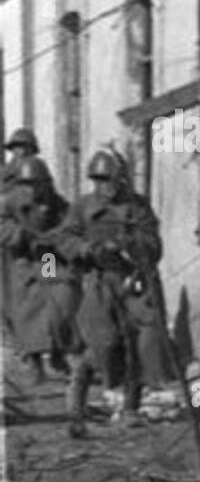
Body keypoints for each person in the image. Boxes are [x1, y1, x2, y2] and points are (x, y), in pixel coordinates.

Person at [54, 150, 163, 438]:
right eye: (98, 179)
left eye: (109, 179)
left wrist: (128, 242)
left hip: (133, 278)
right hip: (98, 280)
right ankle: (76, 410)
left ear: (121, 178)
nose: (104, 185)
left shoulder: (138, 206)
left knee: (141, 339)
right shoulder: (82, 206)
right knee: (102, 343)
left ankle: (131, 408)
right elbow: (64, 240)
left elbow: (154, 245)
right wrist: (88, 249)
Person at [0, 157, 79, 383]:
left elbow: (68, 222)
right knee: (26, 309)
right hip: (20, 259)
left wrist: (56, 238)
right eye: (28, 183)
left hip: (46, 256)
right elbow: (3, 228)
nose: (33, 188)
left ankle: (56, 352)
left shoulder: (56, 202)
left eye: (38, 183)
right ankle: (33, 361)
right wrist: (23, 235)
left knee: (58, 298)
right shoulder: (7, 203)